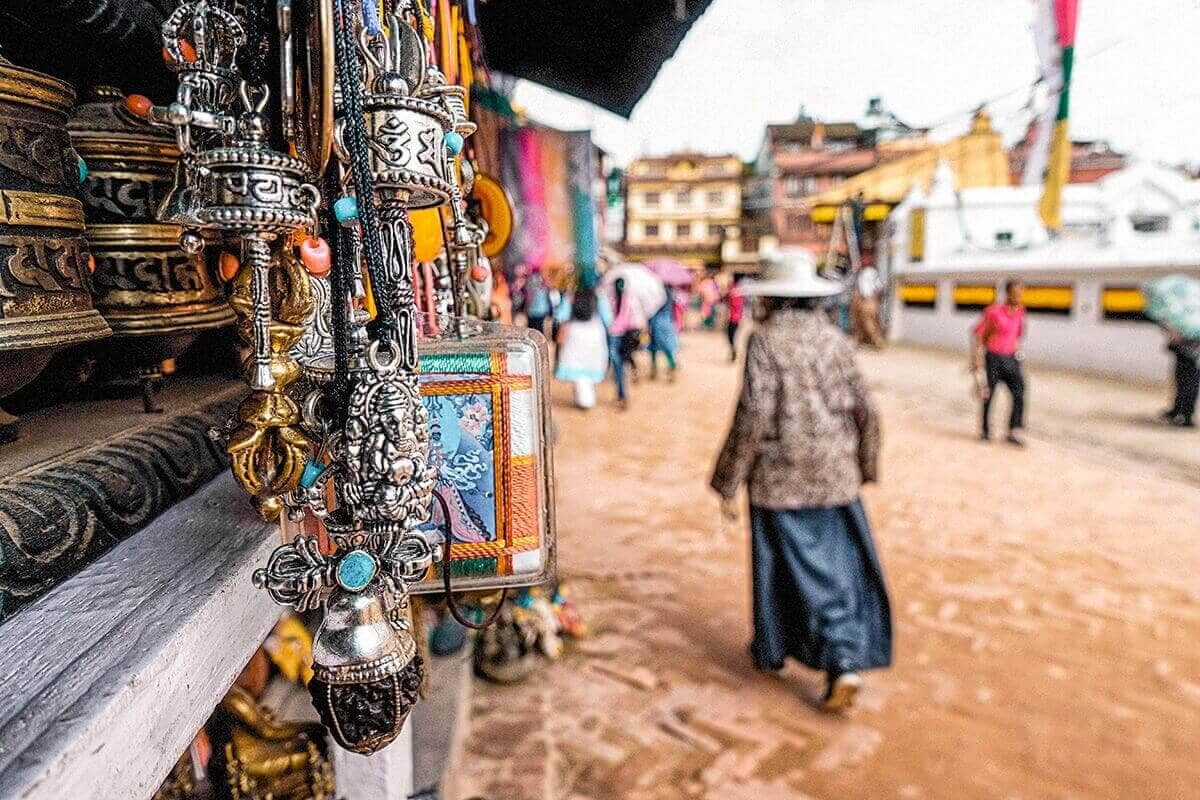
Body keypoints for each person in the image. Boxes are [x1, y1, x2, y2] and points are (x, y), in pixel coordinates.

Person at [709, 250, 891, 712]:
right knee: (836, 570)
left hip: (779, 479)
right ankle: (820, 655)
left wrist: (728, 479)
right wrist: (865, 465)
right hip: (835, 477)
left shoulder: (765, 342)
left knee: (791, 574)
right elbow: (867, 409)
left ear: (770, 298)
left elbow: (752, 415)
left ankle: (831, 658)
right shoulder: (835, 341)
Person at [973, 279, 1027, 446]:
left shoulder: (1020, 313)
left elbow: (1017, 336)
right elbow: (979, 335)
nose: (1018, 296)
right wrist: (977, 360)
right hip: (993, 357)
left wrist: (1018, 356)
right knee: (989, 394)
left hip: (1011, 358)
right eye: (1015, 293)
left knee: (1019, 392)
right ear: (1008, 293)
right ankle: (985, 431)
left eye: (1021, 293)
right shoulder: (993, 312)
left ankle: (1012, 431)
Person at [554, 283, 612, 410]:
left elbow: (561, 316)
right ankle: (586, 399)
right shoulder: (599, 294)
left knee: (576, 366)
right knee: (590, 365)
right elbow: (608, 318)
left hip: (574, 333)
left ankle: (582, 399)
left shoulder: (572, 294)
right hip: (594, 333)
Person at [1164, 331, 1199, 428]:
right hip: (1185, 353)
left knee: (1190, 386)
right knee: (1182, 384)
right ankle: (1178, 411)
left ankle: (1187, 416)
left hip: (1193, 355)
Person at [851, 264, 885, 348]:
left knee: (869, 321)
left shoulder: (872, 272)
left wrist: (875, 299)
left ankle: (878, 341)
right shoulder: (858, 272)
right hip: (859, 298)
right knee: (858, 321)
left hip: (869, 299)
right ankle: (862, 341)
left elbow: (879, 287)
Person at [647, 294, 680, 380]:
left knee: (655, 347)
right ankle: (671, 365)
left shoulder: (657, 291)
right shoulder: (669, 292)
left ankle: (654, 369)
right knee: (666, 347)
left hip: (656, 322)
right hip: (666, 321)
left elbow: (651, 308)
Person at [525, 272, 555, 337]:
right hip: (539, 311)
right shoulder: (544, 289)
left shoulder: (532, 286)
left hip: (534, 311)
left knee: (532, 329)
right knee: (537, 329)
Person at [725, 277, 745, 361]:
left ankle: (734, 351)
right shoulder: (740, 292)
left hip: (733, 318)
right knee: (733, 337)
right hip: (737, 318)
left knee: (731, 336)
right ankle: (733, 351)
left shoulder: (734, 293)